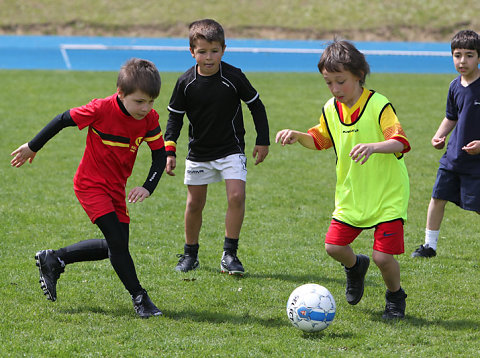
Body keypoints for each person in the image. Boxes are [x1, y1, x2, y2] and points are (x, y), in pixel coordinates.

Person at [10, 58, 167, 318]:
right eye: (139, 101)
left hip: (116, 189)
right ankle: (140, 298)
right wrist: (32, 146)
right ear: (121, 93)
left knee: (116, 246)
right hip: (90, 185)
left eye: (151, 101)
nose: (145, 108)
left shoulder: (149, 118)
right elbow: (62, 119)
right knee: (118, 245)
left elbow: (159, 156)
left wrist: (148, 187)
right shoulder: (100, 109)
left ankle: (54, 259)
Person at [276, 39, 411, 319]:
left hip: (387, 193)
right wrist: (298, 136)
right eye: (329, 83)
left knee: (383, 258)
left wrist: (374, 147)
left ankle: (395, 297)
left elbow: (399, 141)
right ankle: (355, 267)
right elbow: (321, 139)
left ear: (359, 76)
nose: (335, 89)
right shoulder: (330, 108)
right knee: (334, 246)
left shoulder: (378, 104)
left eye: (341, 81)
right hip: (352, 193)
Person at [164, 19, 270, 275]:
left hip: (231, 148)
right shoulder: (185, 82)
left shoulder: (234, 77)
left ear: (223, 49)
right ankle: (190, 254)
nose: (208, 57)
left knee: (236, 196)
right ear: (192, 52)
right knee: (195, 203)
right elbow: (174, 117)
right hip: (199, 153)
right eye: (202, 51)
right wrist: (169, 151)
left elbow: (256, 105)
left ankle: (229, 255)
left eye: (214, 51)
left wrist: (263, 140)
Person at [411, 30, 480, 258]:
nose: (462, 61)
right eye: (457, 55)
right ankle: (429, 246)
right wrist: (438, 136)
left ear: (479, 57)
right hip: (453, 158)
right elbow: (451, 116)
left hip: (476, 163)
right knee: (437, 198)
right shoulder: (454, 86)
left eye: (469, 55)